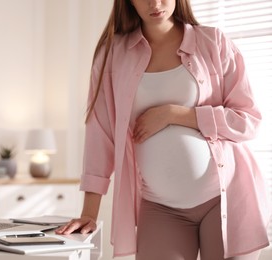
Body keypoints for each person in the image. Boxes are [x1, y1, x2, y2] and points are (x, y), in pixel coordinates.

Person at [55, 0, 272, 259]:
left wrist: (176, 114)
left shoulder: (213, 42)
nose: (155, 4)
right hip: (161, 208)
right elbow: (100, 134)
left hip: (224, 197)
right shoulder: (113, 54)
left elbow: (248, 120)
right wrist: (89, 213)